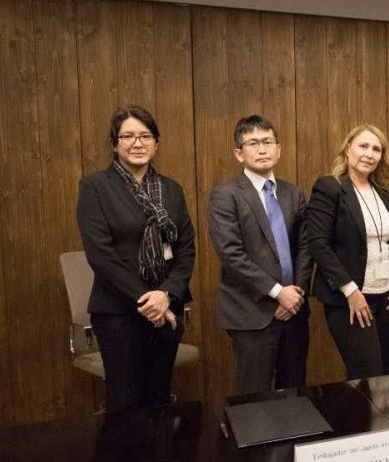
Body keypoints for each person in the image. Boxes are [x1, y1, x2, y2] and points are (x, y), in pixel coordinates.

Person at [76, 105, 195, 413]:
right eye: (127, 136)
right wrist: (148, 301)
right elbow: (101, 256)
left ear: (156, 143)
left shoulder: (171, 189)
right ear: (114, 144)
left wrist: (167, 295)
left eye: (145, 135)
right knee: (126, 406)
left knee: (159, 401)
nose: (137, 143)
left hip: (168, 310)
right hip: (119, 313)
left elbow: (186, 249)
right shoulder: (96, 187)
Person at [208, 115, 312, 394]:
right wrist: (278, 292)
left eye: (267, 142)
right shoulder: (225, 195)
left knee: (295, 393)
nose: (262, 149)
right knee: (255, 400)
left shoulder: (293, 193)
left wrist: (296, 295)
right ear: (239, 153)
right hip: (251, 313)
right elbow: (232, 254)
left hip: (295, 311)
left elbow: (306, 247)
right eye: (253, 143)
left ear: (278, 148)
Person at [305, 124, 389, 379]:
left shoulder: (383, 193)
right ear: (347, 150)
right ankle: (357, 421)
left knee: (383, 376)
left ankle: (371, 420)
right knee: (368, 376)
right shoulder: (330, 187)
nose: (369, 154)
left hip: (387, 299)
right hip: (350, 299)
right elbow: (318, 244)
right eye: (363, 146)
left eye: (376, 149)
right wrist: (350, 290)